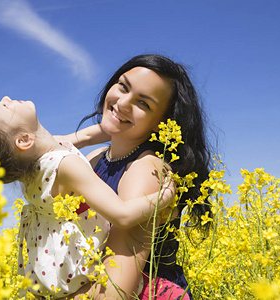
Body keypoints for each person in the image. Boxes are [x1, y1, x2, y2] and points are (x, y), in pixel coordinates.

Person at [0, 96, 177, 299]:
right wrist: (164, 197)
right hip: (85, 271)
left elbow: (92, 134)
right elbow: (122, 215)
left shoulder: (35, 160)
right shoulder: (64, 166)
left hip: (54, 271)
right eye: (3, 108)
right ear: (24, 140)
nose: (6, 99)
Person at [60, 54, 213, 300]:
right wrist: (83, 138)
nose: (122, 103)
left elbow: (115, 292)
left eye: (143, 104)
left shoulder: (148, 171)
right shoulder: (96, 157)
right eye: (123, 86)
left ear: (160, 123)